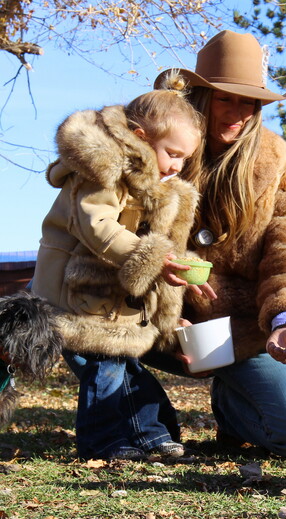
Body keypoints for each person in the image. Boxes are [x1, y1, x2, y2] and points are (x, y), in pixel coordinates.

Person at [147, 30, 286, 460]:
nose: (238, 112)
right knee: (78, 326)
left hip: (247, 334)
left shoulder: (284, 174)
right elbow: (123, 240)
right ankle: (142, 423)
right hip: (159, 323)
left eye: (248, 101)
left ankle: (232, 409)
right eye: (224, 98)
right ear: (199, 97)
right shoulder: (154, 155)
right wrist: (164, 312)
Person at [31, 81, 217, 461]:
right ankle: (103, 443)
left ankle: (151, 436)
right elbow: (95, 225)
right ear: (139, 137)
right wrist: (151, 257)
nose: (177, 166)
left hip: (113, 300)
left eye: (184, 159)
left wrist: (172, 279)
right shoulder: (102, 173)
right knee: (107, 368)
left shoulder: (155, 187)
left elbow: (158, 245)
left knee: (125, 366)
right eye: (173, 154)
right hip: (77, 295)